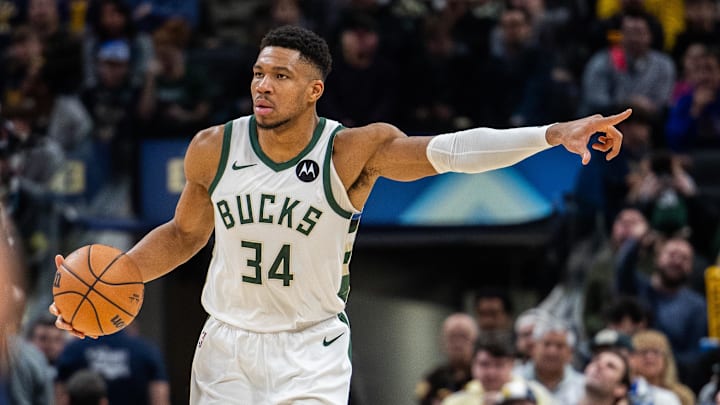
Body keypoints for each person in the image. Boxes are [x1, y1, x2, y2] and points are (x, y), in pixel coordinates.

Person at [50, 24, 630, 404]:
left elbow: (453, 151)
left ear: (314, 90)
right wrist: (112, 278)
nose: (263, 85)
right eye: (258, 72)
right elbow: (183, 234)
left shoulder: (353, 149)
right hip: (227, 342)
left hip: (311, 348)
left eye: (281, 76)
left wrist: (553, 133)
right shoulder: (213, 147)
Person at [441, 341, 553, 405]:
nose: (491, 372)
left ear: (511, 365)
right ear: (473, 365)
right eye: (484, 364)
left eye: (499, 365)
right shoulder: (456, 401)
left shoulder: (537, 394)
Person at [416, 313, 478, 405]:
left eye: (463, 336)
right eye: (452, 337)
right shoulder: (433, 379)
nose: (458, 343)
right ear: (442, 341)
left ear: (475, 340)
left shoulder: (483, 376)